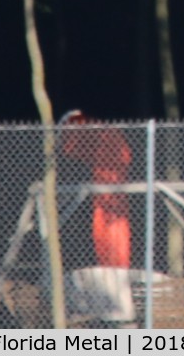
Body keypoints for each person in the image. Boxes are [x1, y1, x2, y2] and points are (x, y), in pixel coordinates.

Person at [58, 110, 132, 268]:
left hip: (109, 184)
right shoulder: (103, 134)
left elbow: (71, 149)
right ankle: (111, 263)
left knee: (109, 223)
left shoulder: (104, 135)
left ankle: (114, 263)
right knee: (106, 222)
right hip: (105, 183)